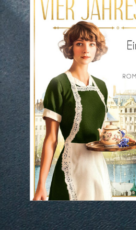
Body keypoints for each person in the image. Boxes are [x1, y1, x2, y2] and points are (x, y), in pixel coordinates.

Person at [32, 21, 113, 201]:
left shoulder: (102, 87)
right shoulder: (58, 84)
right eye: (79, 43)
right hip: (71, 167)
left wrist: (114, 140)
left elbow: (98, 131)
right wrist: (41, 184)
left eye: (91, 44)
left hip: (98, 168)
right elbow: (51, 139)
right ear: (71, 47)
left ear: (97, 48)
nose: (86, 49)